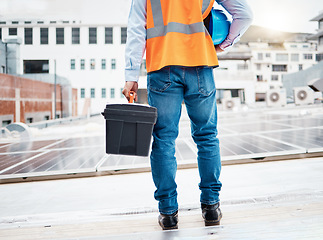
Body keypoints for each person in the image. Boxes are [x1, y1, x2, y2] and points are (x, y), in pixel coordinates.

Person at [122, 0, 253, 230]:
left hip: (162, 66)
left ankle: (168, 212)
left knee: (163, 140)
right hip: (200, 64)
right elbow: (244, 14)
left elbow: (136, 28)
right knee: (207, 137)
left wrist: (131, 75)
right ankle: (211, 207)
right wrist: (224, 44)